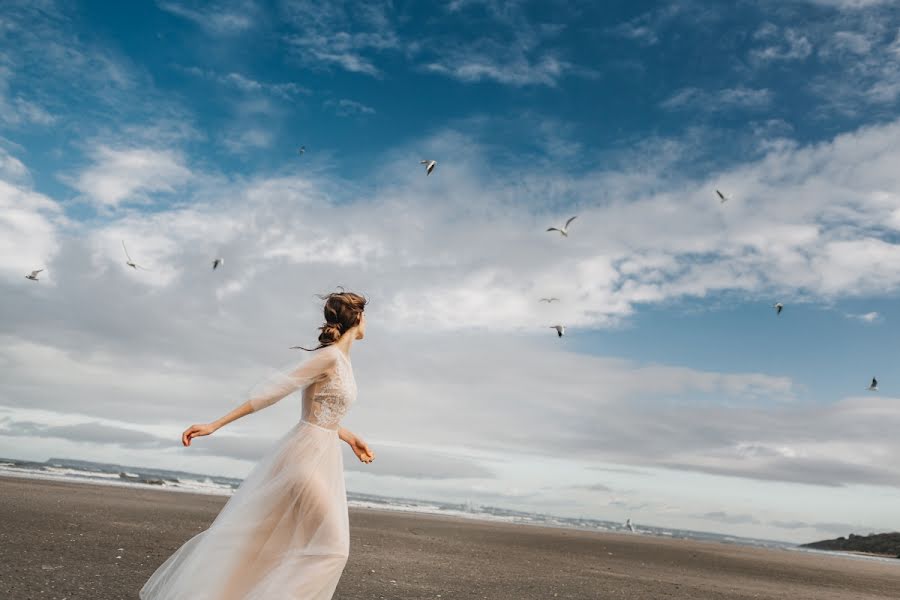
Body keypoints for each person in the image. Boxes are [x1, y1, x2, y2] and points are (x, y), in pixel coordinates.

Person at [140, 290, 374, 600]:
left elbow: (322, 411)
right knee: (332, 548)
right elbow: (270, 393)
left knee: (279, 545)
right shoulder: (329, 357)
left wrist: (348, 436)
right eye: (366, 315)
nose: (368, 322)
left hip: (324, 452)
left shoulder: (343, 361)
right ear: (357, 318)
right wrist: (214, 425)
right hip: (304, 458)